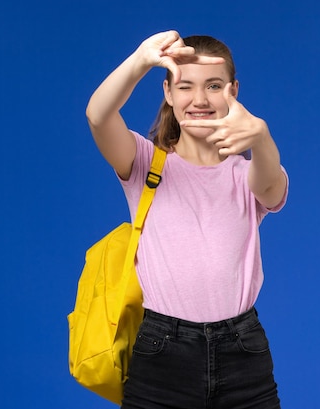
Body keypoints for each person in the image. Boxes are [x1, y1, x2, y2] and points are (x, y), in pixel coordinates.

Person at [86, 30, 288, 409]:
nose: (199, 99)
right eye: (185, 86)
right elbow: (98, 116)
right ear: (167, 92)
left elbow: (272, 188)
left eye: (213, 86)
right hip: (161, 352)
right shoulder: (145, 162)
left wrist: (260, 135)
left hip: (243, 350)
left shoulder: (247, 173)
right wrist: (140, 60)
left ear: (233, 90)